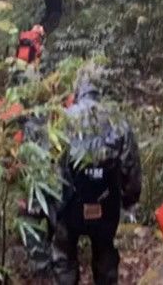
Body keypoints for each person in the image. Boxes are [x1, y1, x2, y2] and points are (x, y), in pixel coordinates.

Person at [50, 74, 142, 285]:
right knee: (105, 252)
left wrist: (52, 208)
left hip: (69, 203)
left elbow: (51, 165)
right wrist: (129, 200)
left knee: (64, 255)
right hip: (106, 203)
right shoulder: (117, 121)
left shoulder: (63, 119)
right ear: (99, 93)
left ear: (77, 93)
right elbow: (131, 165)